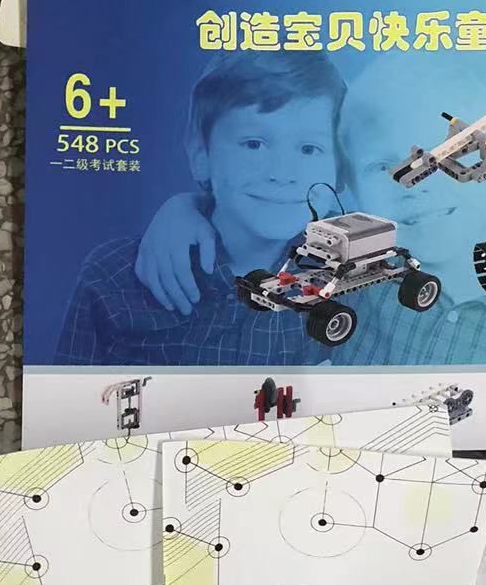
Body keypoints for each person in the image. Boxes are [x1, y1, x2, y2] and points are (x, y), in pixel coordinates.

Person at [134, 55, 486, 370]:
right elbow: (252, 231)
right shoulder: (352, 278)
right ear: (350, 186)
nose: (419, 186)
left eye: (451, 154)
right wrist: (187, 207)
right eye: (383, 167)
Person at [55, 51, 345, 367]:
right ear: (201, 156)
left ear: (339, 165)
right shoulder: (113, 277)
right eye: (254, 144)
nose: (282, 173)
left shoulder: (352, 274)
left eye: (309, 149)